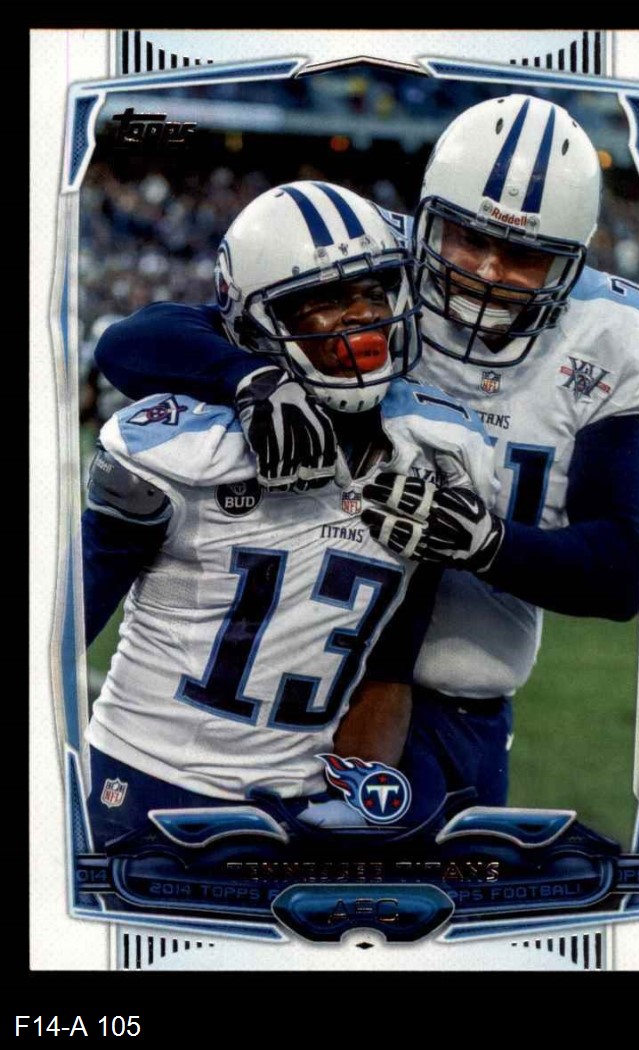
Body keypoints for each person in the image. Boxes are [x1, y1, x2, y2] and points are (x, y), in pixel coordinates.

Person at [93, 94, 639, 816]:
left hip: (455, 694)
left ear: (573, 263)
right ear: (424, 218)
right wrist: (248, 376)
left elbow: (619, 571)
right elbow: (138, 341)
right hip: (292, 689)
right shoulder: (370, 264)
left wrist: (488, 545)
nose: (485, 271)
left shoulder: (614, 337)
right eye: (465, 238)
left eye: (524, 256)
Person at [82, 181, 497, 846]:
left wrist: (361, 804)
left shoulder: (436, 448)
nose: (359, 318)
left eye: (372, 291)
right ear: (254, 323)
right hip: (140, 784)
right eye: (321, 301)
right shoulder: (184, 445)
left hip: (301, 803)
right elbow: (57, 632)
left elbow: (387, 668)